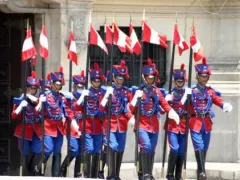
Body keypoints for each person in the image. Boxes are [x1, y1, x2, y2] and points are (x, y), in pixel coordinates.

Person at [181, 57, 233, 180]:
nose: (204, 78)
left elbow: (216, 99)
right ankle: (202, 173)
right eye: (202, 76)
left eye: (206, 76)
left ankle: (200, 171)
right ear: (197, 77)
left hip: (207, 123)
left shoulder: (210, 91)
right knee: (198, 146)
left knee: (204, 148)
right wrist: (185, 95)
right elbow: (182, 104)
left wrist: (223, 105)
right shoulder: (192, 90)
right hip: (195, 122)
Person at [129, 58, 180, 180]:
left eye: (152, 77)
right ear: (144, 77)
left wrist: (172, 112)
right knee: (146, 146)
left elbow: (164, 104)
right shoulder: (138, 91)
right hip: (141, 124)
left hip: (154, 126)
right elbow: (130, 110)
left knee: (151, 149)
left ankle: (148, 173)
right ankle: (145, 174)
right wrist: (135, 99)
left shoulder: (157, 92)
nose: (150, 79)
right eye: (148, 77)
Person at [35, 66, 74, 177]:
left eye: (60, 84)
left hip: (59, 128)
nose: (58, 86)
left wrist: (74, 122)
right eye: (56, 84)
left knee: (57, 151)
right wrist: (39, 103)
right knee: (48, 149)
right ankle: (38, 168)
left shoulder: (62, 97)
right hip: (48, 127)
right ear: (52, 84)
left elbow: (68, 112)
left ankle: (56, 176)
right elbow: (38, 112)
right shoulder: (45, 96)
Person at [99, 60, 134, 180]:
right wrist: (105, 97)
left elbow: (126, 108)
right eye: (118, 78)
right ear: (113, 77)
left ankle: (116, 174)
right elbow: (101, 108)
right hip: (110, 123)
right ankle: (110, 174)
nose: (120, 80)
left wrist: (131, 118)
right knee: (112, 146)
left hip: (122, 124)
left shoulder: (125, 91)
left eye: (122, 78)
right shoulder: (106, 90)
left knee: (120, 148)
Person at [76, 62, 105, 178]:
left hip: (98, 124)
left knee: (97, 150)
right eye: (95, 81)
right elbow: (77, 107)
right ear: (91, 81)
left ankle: (94, 175)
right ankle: (87, 175)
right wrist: (82, 97)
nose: (97, 83)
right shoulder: (85, 92)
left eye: (98, 81)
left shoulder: (102, 93)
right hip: (87, 125)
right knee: (89, 149)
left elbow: (103, 108)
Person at [11, 71, 43, 176]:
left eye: (34, 88)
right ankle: (25, 174)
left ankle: (31, 169)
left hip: (36, 129)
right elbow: (13, 115)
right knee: (24, 153)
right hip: (24, 130)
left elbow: (43, 115)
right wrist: (20, 107)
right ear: (27, 88)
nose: (33, 90)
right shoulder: (21, 98)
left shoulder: (39, 100)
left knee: (38, 150)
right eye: (31, 88)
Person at [59, 70, 86, 177]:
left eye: (82, 87)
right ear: (74, 86)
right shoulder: (68, 97)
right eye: (78, 87)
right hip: (71, 127)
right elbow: (70, 111)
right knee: (74, 149)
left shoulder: (85, 96)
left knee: (80, 151)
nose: (80, 89)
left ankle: (77, 173)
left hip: (82, 126)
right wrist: (80, 100)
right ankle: (63, 168)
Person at [164, 64, 188, 180]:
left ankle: (178, 175)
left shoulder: (187, 93)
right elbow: (164, 109)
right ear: (174, 81)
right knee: (174, 148)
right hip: (172, 125)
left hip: (183, 124)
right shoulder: (170, 94)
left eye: (182, 80)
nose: (180, 82)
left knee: (181, 149)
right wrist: (166, 100)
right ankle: (169, 174)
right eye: (178, 81)